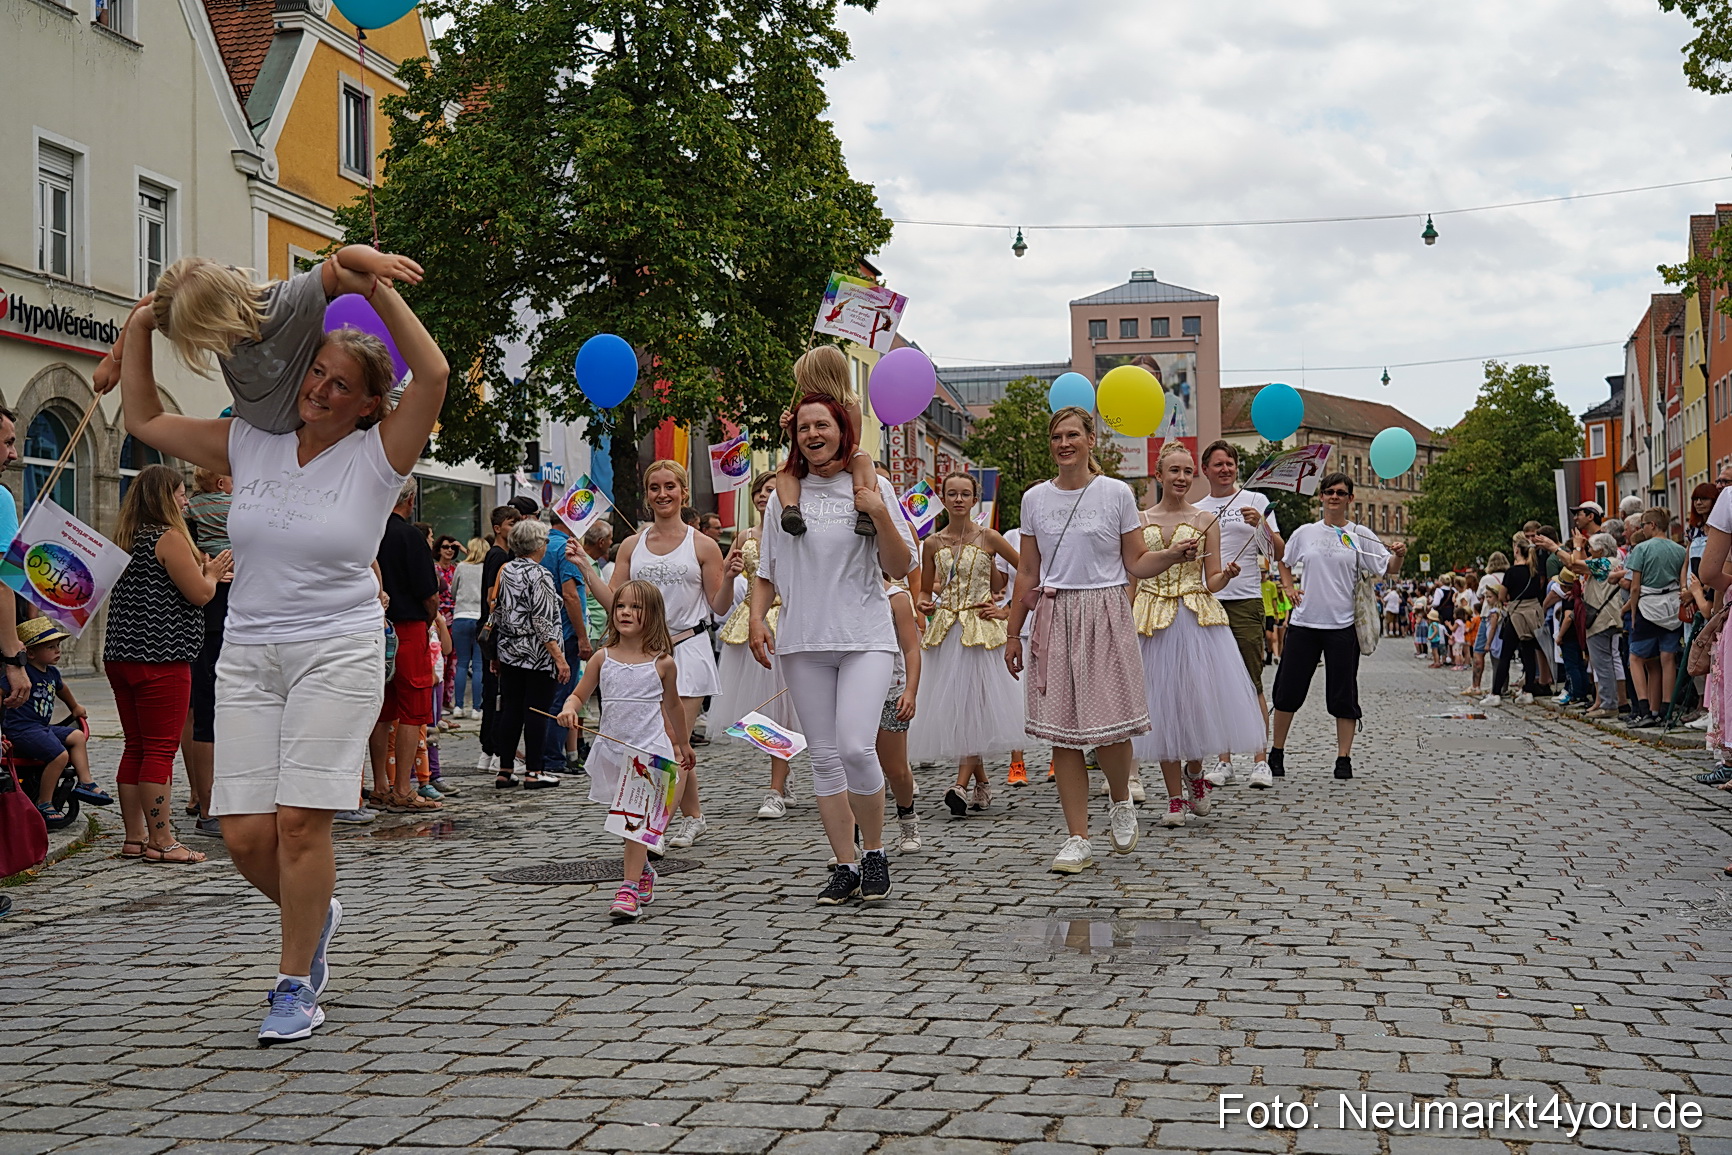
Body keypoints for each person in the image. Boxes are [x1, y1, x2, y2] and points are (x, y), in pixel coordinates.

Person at [119, 259, 448, 1043]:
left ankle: (294, 983)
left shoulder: (377, 458)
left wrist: (374, 291)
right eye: (317, 374)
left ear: (370, 404)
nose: (322, 390)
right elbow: (141, 420)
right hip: (249, 657)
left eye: (342, 384)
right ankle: (316, 909)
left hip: (336, 651)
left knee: (301, 822)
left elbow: (431, 373)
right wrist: (138, 327)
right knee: (243, 834)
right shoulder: (250, 442)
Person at [1003, 406, 1197, 874]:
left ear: (1091, 440)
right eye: (1056, 437)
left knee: (1111, 727)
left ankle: (1118, 799)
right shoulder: (1034, 499)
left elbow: (1136, 561)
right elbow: (1027, 571)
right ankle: (1077, 837)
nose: (1064, 444)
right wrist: (1013, 630)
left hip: (1106, 611)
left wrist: (1170, 555)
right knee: (1062, 734)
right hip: (1054, 614)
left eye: (1072, 435)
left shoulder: (1115, 493)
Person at [751, 393, 917, 903]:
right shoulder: (785, 496)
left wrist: (878, 514)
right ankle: (844, 865)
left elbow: (900, 564)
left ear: (843, 430)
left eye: (822, 425)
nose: (813, 434)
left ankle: (875, 853)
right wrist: (758, 617)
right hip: (803, 642)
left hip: (865, 637)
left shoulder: (873, 485)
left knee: (855, 747)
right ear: (795, 437)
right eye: (804, 428)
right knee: (823, 758)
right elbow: (767, 572)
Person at [573, 461, 731, 849]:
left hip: (687, 651)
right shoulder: (631, 545)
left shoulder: (703, 545)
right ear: (647, 496)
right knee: (669, 743)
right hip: (642, 655)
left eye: (670, 487)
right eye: (655, 488)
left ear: (683, 493)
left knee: (670, 740)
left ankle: (652, 829)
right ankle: (693, 817)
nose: (663, 494)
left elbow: (720, 606)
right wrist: (587, 570)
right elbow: (615, 601)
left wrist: (728, 576)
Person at [96, 246, 422, 427]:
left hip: (306, 430)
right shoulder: (207, 320)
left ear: (216, 318)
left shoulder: (288, 303)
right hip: (252, 430)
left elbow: (339, 263)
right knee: (145, 425)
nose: (209, 347)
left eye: (203, 339)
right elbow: (149, 306)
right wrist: (116, 358)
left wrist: (377, 262)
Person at [1131, 443, 1267, 825]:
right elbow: (1134, 575)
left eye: (1188, 471)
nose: (1181, 478)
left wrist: (1227, 575)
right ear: (1158, 475)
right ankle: (1175, 798)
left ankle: (1195, 774)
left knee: (1193, 702)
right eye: (1174, 471)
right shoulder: (1140, 520)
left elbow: (1212, 582)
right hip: (1153, 615)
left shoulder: (1207, 520)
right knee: (1161, 706)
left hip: (1195, 617)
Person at [104, 464, 232, 864]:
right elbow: (198, 595)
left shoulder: (125, 537)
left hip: (121, 654)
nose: (186, 499)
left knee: (135, 746)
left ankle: (134, 838)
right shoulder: (169, 537)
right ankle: (162, 840)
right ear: (164, 497)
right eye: (180, 493)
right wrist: (211, 573)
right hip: (162, 656)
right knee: (159, 749)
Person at [557, 581, 694, 920]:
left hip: (650, 751)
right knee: (627, 822)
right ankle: (643, 869)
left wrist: (684, 742)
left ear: (653, 615)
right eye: (620, 607)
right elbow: (579, 694)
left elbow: (674, 706)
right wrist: (570, 708)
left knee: (634, 820)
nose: (626, 613)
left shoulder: (663, 663)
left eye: (635, 607)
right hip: (615, 750)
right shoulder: (603, 659)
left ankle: (628, 888)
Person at [1268, 471, 1404, 780]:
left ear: (1350, 499)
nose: (1334, 497)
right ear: (1321, 497)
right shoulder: (1306, 532)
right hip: (1305, 622)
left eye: (1340, 493)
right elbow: (1284, 560)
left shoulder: (1360, 535)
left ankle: (1344, 758)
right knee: (1288, 691)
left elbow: (1388, 568)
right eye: (1328, 492)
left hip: (1343, 626)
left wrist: (1399, 556)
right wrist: (1288, 588)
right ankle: (1277, 752)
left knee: (1343, 694)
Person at [909, 472, 1022, 818]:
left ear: (975, 500)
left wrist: (1006, 611)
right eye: (952, 494)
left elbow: (1029, 572)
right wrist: (924, 604)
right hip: (946, 631)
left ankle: (959, 784)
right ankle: (982, 782)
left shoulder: (990, 538)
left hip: (981, 631)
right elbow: (925, 589)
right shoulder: (931, 543)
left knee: (974, 706)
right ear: (943, 499)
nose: (959, 499)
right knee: (960, 709)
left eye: (965, 494)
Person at [1193, 440, 1284, 790]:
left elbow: (1277, 552)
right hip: (1208, 600)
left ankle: (1261, 761)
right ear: (1206, 470)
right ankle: (1224, 759)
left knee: (1250, 680)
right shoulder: (1198, 508)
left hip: (1245, 598)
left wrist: (1261, 524)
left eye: (1230, 463)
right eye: (1218, 464)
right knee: (1215, 684)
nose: (1225, 469)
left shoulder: (1255, 501)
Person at [712, 474, 800, 819]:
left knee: (782, 711)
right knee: (762, 712)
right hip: (749, 624)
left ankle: (775, 788)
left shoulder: (793, 534)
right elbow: (721, 599)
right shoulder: (743, 537)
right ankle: (783, 774)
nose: (765, 496)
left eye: (772, 490)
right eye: (760, 491)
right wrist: (730, 573)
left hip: (785, 623)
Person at [369, 481, 442, 812]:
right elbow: (430, 593)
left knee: (381, 710)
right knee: (414, 710)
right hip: (409, 628)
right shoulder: (410, 536)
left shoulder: (368, 529)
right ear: (410, 500)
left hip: (375, 627)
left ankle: (380, 785)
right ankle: (403, 788)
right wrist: (429, 621)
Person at [491, 519, 571, 788]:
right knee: (537, 711)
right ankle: (535, 771)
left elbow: (497, 610)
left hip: (509, 650)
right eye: (545, 541)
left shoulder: (506, 570)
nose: (547, 545)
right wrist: (559, 658)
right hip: (537, 653)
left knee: (512, 709)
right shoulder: (541, 575)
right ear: (537, 545)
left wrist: (495, 652)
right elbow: (543, 621)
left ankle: (505, 769)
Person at [772, 346, 882, 538]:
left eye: (804, 382)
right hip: (812, 463)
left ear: (819, 378)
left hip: (845, 459)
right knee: (784, 469)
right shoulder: (806, 407)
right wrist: (791, 430)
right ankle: (791, 510)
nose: (802, 388)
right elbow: (802, 444)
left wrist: (840, 464)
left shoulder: (849, 404)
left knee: (863, 459)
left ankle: (864, 513)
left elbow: (853, 442)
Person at [183, 466, 234, 836]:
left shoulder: (191, 513)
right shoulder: (235, 507)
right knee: (209, 713)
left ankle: (204, 798)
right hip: (218, 615)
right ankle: (209, 804)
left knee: (204, 711)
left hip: (213, 613)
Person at [11, 618, 103, 820]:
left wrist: (75, 707)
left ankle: (85, 782)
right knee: (59, 756)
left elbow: (63, 690)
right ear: (31, 653)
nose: (58, 651)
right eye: (50, 647)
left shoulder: (52, 672)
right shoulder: (21, 674)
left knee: (77, 736)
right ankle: (44, 802)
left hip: (40, 727)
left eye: (58, 646)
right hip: (21, 729)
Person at [540, 508, 591, 773]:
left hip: (542, 634)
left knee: (545, 697)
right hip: (565, 634)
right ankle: (552, 759)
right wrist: (583, 637)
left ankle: (545, 757)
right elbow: (570, 596)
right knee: (561, 697)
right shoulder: (566, 550)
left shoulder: (542, 544)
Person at [1625, 507, 1686, 727]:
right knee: (1667, 659)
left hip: (1649, 607)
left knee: (1636, 658)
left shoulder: (1641, 549)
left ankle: (1644, 709)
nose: (1642, 529)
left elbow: (1635, 587)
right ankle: (1665, 710)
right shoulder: (1680, 550)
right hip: (1671, 606)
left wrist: (1633, 611)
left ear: (1652, 525)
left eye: (1643, 525)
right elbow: (1682, 581)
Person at [879, 577, 924, 853]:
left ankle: (907, 816)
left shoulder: (896, 597)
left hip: (891, 691)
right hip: (848, 691)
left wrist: (910, 690)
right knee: (853, 764)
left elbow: (910, 648)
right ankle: (853, 837)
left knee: (895, 769)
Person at [476, 504, 521, 772]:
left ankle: (492, 749)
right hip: (495, 631)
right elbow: (492, 597)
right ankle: (493, 749)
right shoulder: (497, 556)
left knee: (497, 692)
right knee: (497, 693)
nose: (514, 527)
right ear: (498, 528)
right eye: (510, 523)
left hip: (496, 631)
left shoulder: (505, 554)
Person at [1483, 535, 1546, 706]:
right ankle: (1528, 691)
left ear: (1516, 550)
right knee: (1528, 653)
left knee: (1506, 653)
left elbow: (1502, 596)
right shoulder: (1534, 570)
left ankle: (1496, 692)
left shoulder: (1511, 572)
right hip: (1532, 614)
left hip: (1516, 614)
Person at [449, 538, 488, 719]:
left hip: (461, 616)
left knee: (462, 663)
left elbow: (453, 591)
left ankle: (458, 706)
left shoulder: (461, 567)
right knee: (479, 665)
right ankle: (477, 708)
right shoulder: (486, 568)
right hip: (480, 618)